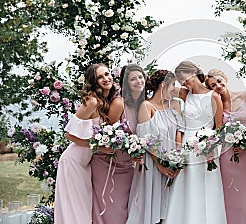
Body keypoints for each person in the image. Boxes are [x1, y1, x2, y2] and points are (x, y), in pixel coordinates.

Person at [164, 61, 227, 224]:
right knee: (185, 185)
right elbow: (179, 124)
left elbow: (219, 127)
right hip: (186, 145)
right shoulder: (184, 95)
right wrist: (177, 150)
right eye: (181, 82)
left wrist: (212, 146)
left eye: (185, 79)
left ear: (194, 73)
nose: (185, 84)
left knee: (206, 186)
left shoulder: (213, 96)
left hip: (207, 147)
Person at [54, 63, 115, 224]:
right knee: (74, 211)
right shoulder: (92, 102)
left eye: (107, 74)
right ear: (94, 81)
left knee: (83, 210)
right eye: (100, 77)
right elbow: (69, 134)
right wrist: (98, 147)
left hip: (85, 164)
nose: (106, 78)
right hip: (72, 162)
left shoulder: (105, 101)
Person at [127, 70, 184, 224]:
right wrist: (159, 164)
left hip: (172, 164)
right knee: (152, 206)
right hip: (153, 164)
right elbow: (146, 139)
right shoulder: (147, 106)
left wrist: (177, 160)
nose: (174, 89)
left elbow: (179, 132)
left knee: (170, 207)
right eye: (172, 85)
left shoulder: (175, 104)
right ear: (163, 84)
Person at [91, 64, 145, 224]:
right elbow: (105, 134)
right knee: (110, 210)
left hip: (128, 167)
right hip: (107, 164)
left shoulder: (142, 105)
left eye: (140, 77)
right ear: (125, 83)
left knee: (125, 210)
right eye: (133, 79)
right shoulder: (119, 103)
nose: (138, 81)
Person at [205, 69, 246, 224]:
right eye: (213, 85)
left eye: (219, 81)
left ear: (225, 79)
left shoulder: (245, 96)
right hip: (227, 156)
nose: (218, 86)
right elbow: (216, 128)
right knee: (229, 196)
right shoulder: (217, 104)